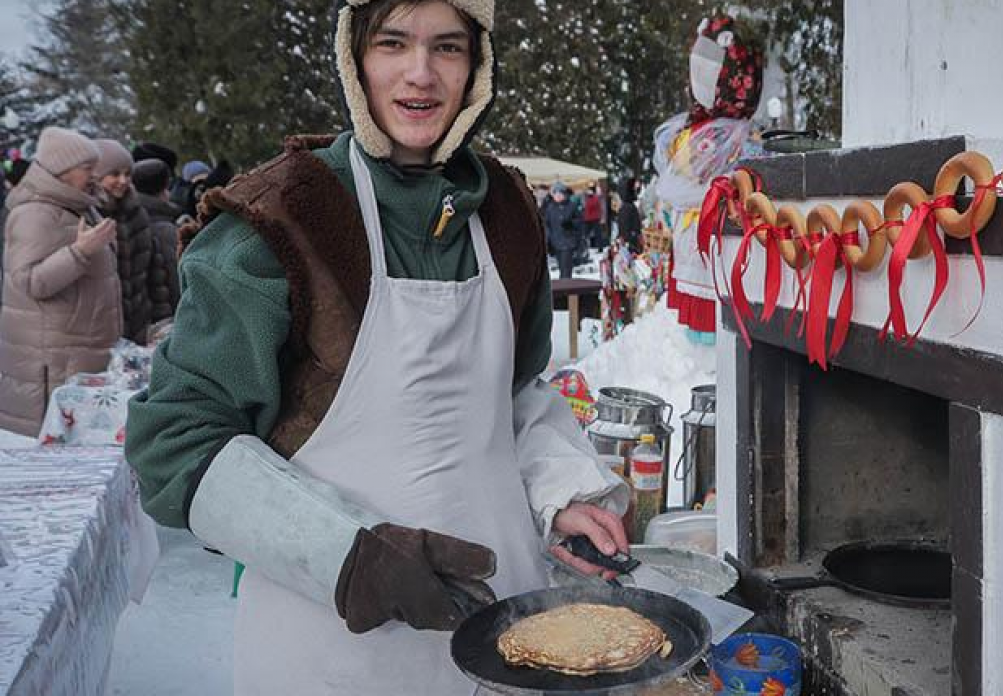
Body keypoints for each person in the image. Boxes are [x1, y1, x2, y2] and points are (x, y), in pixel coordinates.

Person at [125, 2, 629, 694]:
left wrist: (559, 491)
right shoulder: (283, 221)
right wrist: (351, 557)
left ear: (476, 66)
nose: (419, 75)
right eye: (393, 43)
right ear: (354, 56)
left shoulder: (508, 215)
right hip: (333, 650)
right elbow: (175, 442)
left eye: (447, 48)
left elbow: (509, 393)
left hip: (505, 628)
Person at [0, 127, 121, 435]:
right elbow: (29, 281)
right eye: (87, 169)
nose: (94, 176)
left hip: (77, 352)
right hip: (51, 362)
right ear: (61, 170)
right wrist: (80, 252)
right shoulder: (34, 213)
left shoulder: (79, 205)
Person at [95, 139, 154, 345]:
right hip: (101, 326)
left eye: (128, 174)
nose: (123, 180)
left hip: (138, 320)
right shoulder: (88, 215)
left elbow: (151, 271)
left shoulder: (137, 213)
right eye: (114, 174)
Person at [131, 158, 181, 323]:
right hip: (168, 319)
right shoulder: (165, 230)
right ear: (165, 186)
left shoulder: (127, 219)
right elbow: (177, 281)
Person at [542, 182, 580, 278]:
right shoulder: (550, 208)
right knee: (561, 267)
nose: (558, 196)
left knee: (566, 269)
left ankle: (565, 288)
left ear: (564, 194)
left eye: (560, 194)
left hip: (568, 242)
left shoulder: (572, 206)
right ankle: (563, 288)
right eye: (555, 194)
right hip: (555, 242)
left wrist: (571, 224)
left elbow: (579, 222)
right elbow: (547, 224)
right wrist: (548, 241)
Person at [617, 176, 643, 254]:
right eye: (633, 189)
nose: (635, 190)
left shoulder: (628, 205)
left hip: (632, 244)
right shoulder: (627, 207)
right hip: (632, 247)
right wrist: (634, 238)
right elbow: (625, 231)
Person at [581, 181, 605, 252]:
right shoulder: (586, 197)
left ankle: (600, 248)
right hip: (588, 218)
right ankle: (584, 248)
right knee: (585, 235)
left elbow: (599, 207)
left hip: (595, 218)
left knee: (597, 234)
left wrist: (601, 217)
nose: (589, 192)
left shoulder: (596, 197)